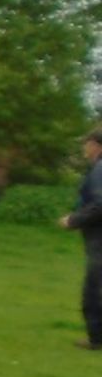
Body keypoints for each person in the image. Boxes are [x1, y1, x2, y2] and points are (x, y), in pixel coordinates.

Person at [61, 126, 102, 350]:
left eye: (86, 144)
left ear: (95, 145)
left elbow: (99, 204)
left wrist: (73, 220)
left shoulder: (99, 170)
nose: (84, 148)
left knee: (94, 290)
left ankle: (96, 338)